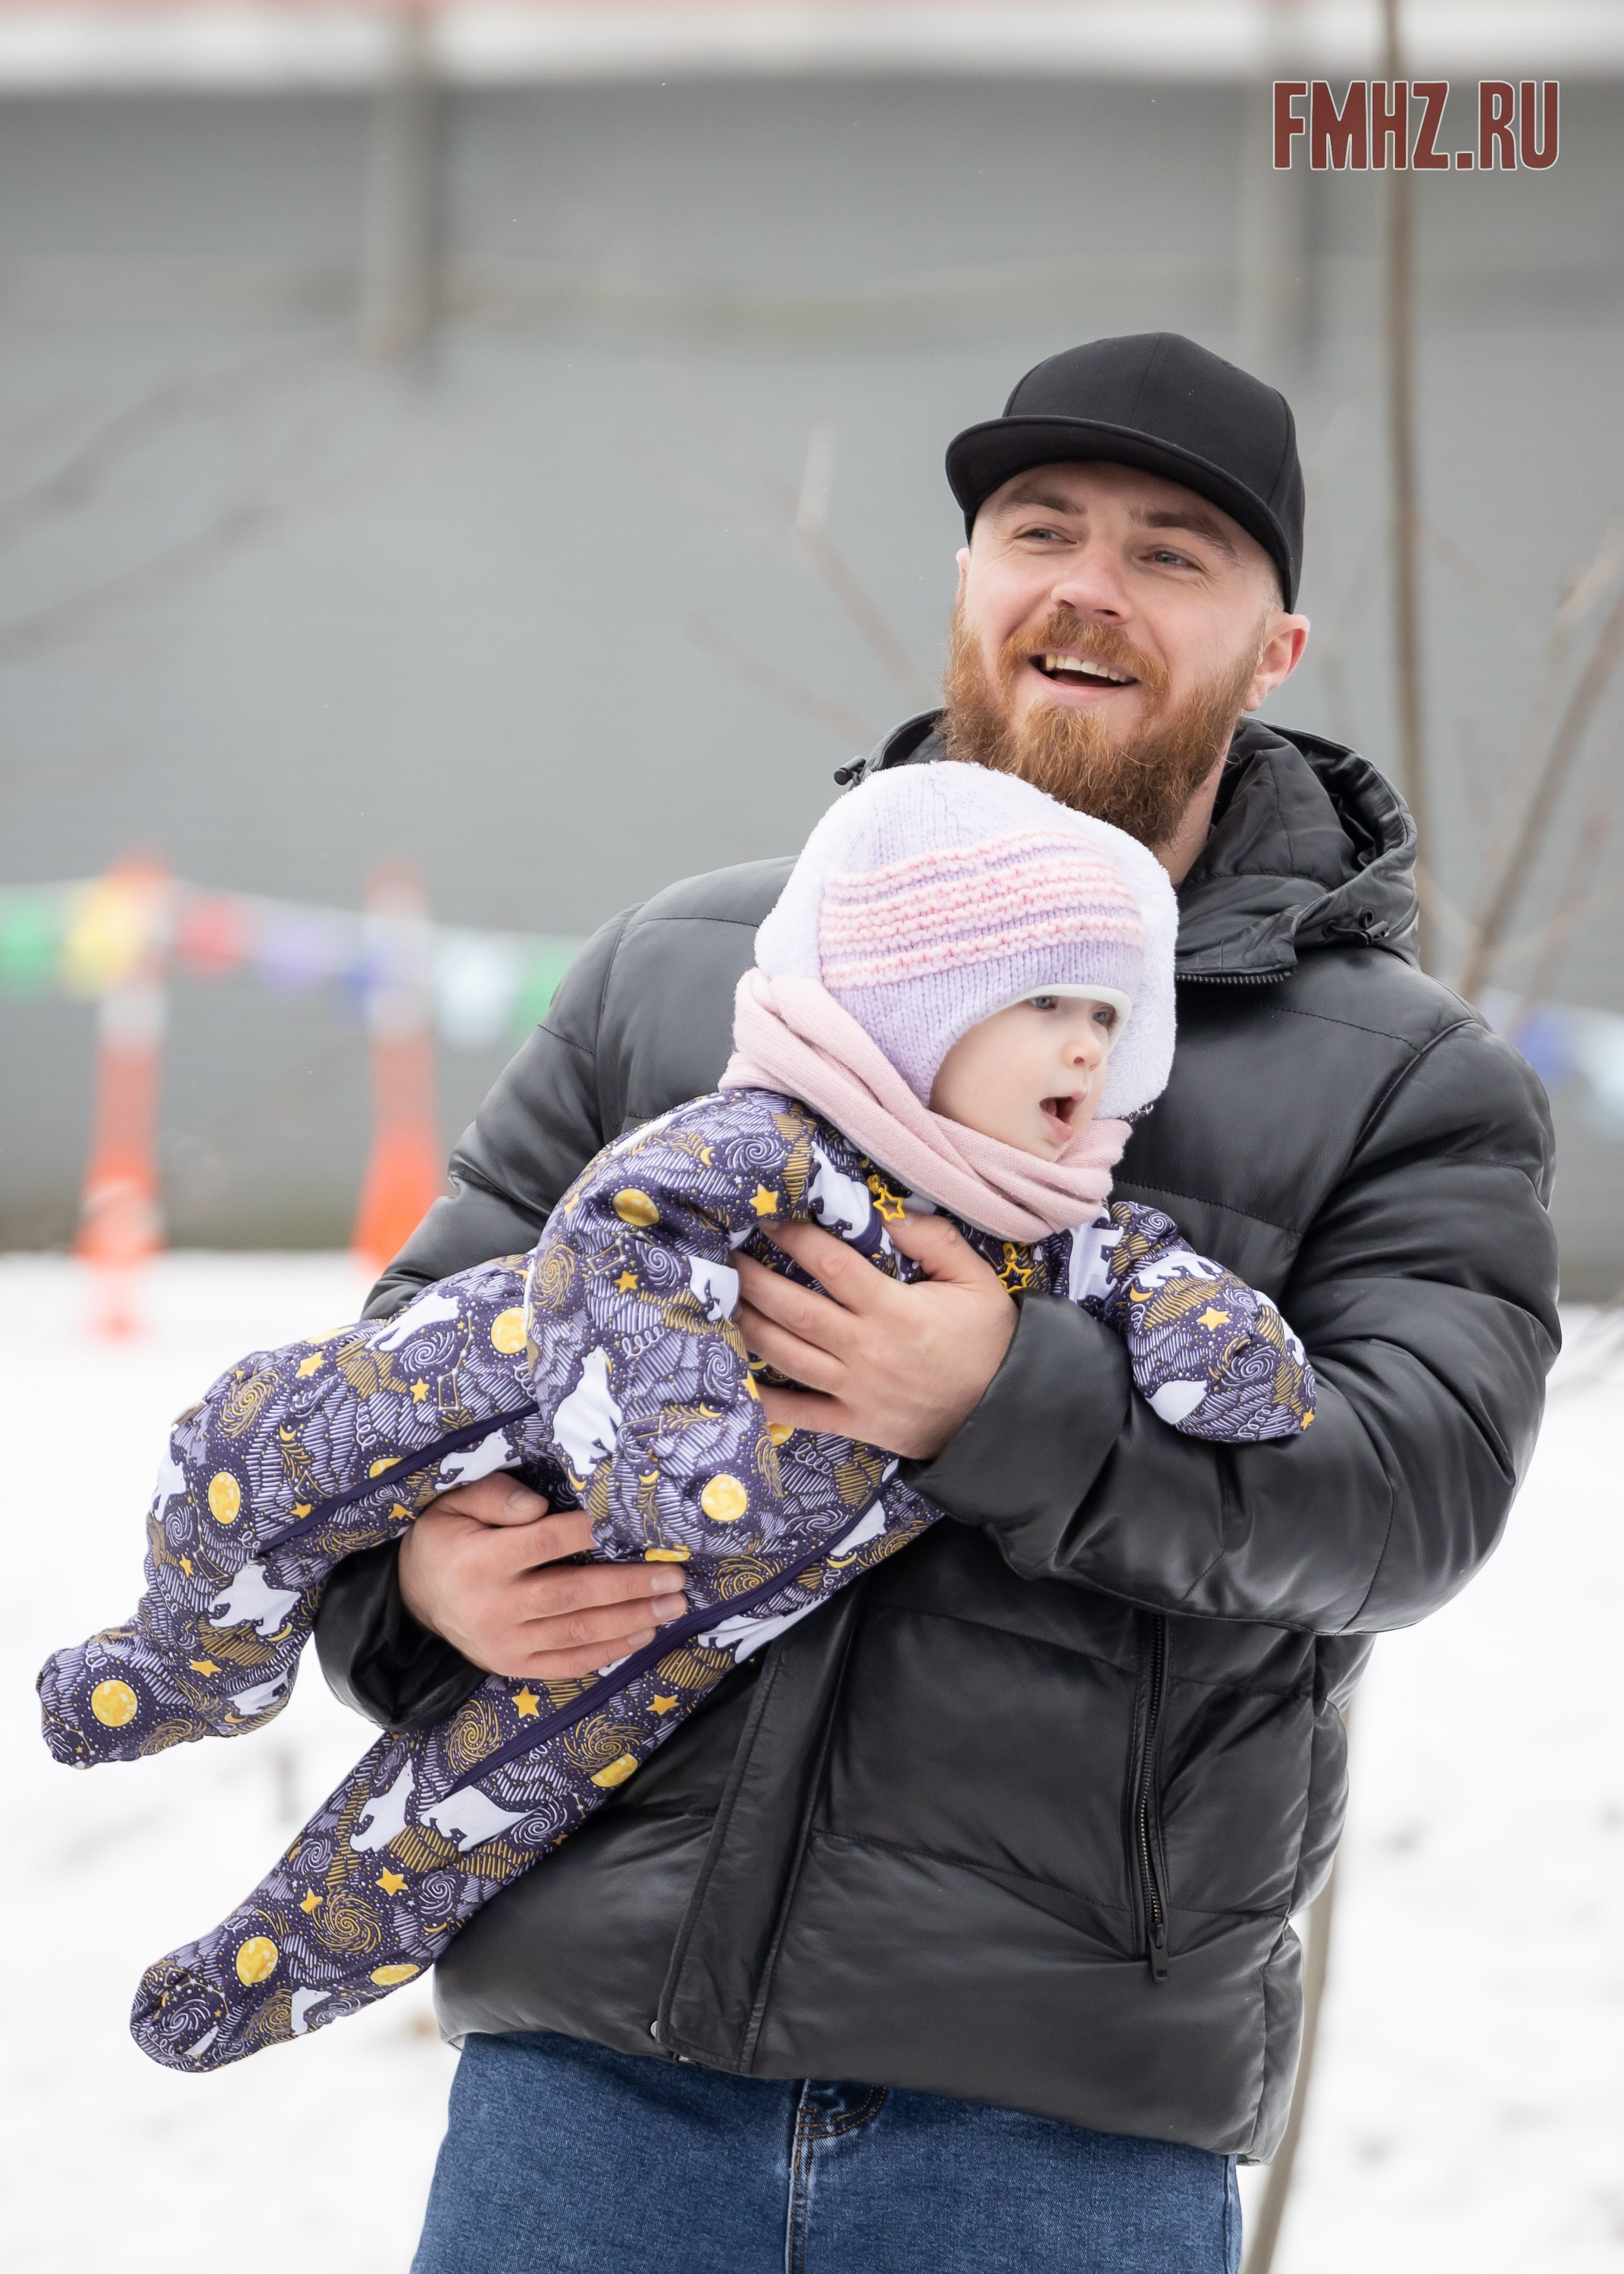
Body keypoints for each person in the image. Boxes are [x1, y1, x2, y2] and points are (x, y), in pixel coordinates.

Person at [316, 334, 1559, 2274]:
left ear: (1272, 648)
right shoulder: (683, 967)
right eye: (1036, 528)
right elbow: (398, 1373)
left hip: (1050, 2125)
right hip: (590, 2083)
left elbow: (1411, 1499)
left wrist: (999, 1395)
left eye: (1172, 552)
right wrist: (416, 1583)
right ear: (969, 584)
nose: (1088, 582)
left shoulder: (1402, 1077)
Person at [41, 763, 1313, 2075]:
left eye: (1106, 1012)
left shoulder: (1055, 1243)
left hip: (682, 1607)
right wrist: (681, 1458)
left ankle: (271, 1963)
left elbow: (1177, 1301)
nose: (1086, 1045)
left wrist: (1222, 1351)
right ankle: (192, 1657)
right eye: (1044, 1000)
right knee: (247, 1455)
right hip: (480, 1414)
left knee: (483, 1799)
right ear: (921, 1005)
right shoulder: (769, 1141)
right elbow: (624, 1232)